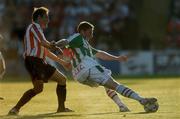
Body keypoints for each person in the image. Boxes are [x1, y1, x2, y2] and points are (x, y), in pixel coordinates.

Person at [55, 21, 158, 112]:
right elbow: (65, 41)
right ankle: (141, 100)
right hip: (88, 67)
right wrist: (55, 44)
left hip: (78, 75)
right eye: (90, 31)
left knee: (107, 84)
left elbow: (100, 54)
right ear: (82, 31)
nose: (92, 34)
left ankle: (121, 106)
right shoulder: (78, 37)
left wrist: (117, 58)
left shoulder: (84, 44)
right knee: (114, 84)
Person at [8, 7, 73, 115]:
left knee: (38, 89)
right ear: (39, 17)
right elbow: (44, 43)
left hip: (33, 62)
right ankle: (61, 108)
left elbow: (46, 51)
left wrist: (62, 61)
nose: (48, 20)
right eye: (46, 17)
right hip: (35, 61)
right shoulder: (35, 27)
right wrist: (54, 46)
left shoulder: (36, 30)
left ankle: (15, 109)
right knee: (62, 79)